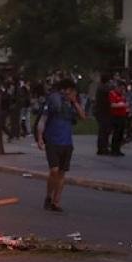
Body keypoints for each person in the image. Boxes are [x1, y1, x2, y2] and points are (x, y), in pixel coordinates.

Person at [37, 77, 85, 212]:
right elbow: (43, 119)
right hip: (53, 141)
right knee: (54, 170)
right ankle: (48, 196)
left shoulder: (72, 104)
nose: (73, 94)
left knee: (62, 173)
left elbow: (83, 117)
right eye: (71, 92)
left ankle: (56, 201)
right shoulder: (53, 101)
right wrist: (40, 137)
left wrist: (75, 102)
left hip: (67, 142)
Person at [108, 79, 129, 156]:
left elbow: (125, 103)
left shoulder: (122, 95)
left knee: (121, 133)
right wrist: (121, 105)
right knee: (116, 133)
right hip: (116, 116)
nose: (122, 90)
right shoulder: (112, 94)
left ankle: (118, 149)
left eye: (123, 89)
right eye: (121, 88)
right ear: (117, 87)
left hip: (122, 115)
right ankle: (114, 149)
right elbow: (112, 105)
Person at [93, 73, 113, 156]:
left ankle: (102, 147)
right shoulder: (104, 88)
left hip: (101, 111)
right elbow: (109, 95)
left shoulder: (100, 87)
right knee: (104, 130)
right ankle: (102, 147)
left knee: (103, 130)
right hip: (104, 111)